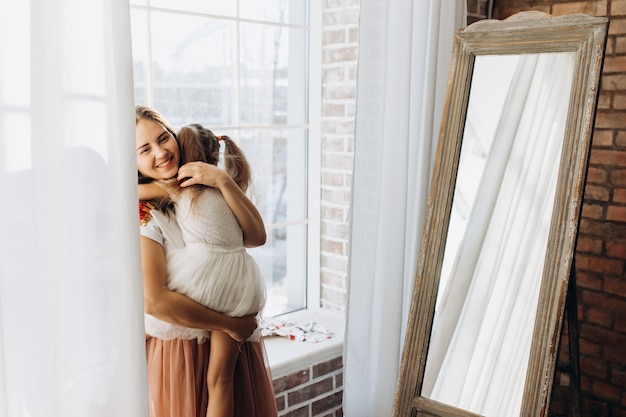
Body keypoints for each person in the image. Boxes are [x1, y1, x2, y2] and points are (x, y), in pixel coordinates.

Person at [135, 105, 278, 417]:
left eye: (164, 138)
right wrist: (230, 324)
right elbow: (155, 301)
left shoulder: (197, 185)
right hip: (184, 347)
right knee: (216, 386)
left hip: (214, 331)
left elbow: (255, 237)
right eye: (145, 149)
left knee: (222, 387)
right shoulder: (146, 214)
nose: (160, 153)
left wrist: (223, 181)